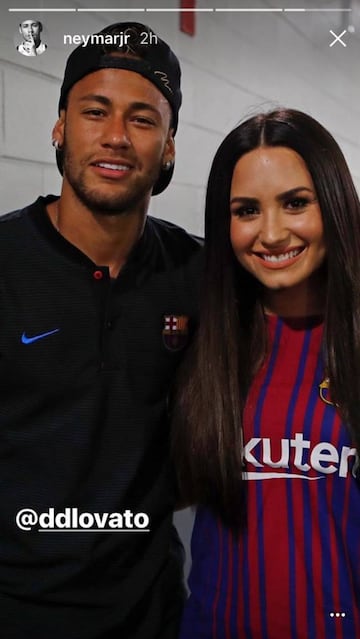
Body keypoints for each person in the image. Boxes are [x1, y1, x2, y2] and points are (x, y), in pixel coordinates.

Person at [0, 21, 202, 638]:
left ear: (168, 147)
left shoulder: (200, 273)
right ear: (61, 126)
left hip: (151, 614)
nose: (116, 136)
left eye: (143, 119)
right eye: (95, 111)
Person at [173, 108, 360, 639]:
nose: (272, 233)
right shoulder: (205, 341)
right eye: (247, 210)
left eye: (296, 203)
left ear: (335, 204)